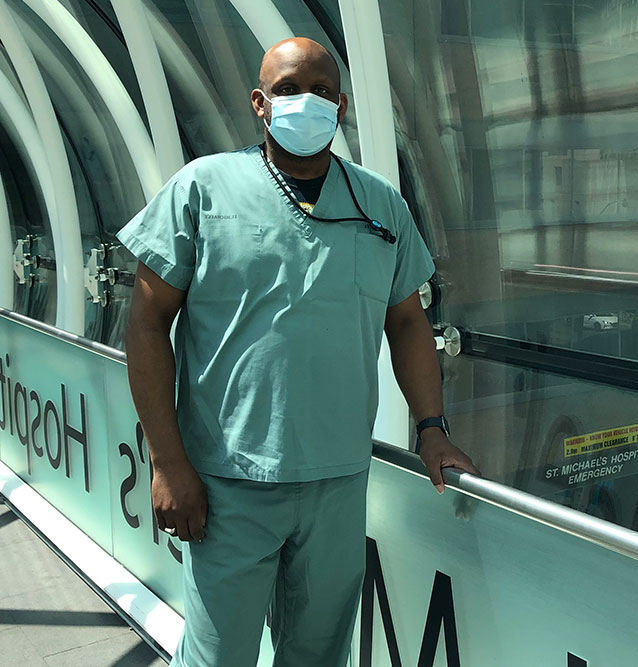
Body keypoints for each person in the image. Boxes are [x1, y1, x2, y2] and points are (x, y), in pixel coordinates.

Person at [119, 37, 478, 667]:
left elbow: (409, 322)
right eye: (287, 89)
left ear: (340, 104)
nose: (304, 102)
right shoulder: (203, 188)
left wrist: (431, 427)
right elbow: (146, 326)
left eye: (319, 91)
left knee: (317, 655)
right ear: (259, 102)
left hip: (338, 478)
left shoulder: (380, 206)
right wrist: (168, 464)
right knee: (217, 656)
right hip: (227, 480)